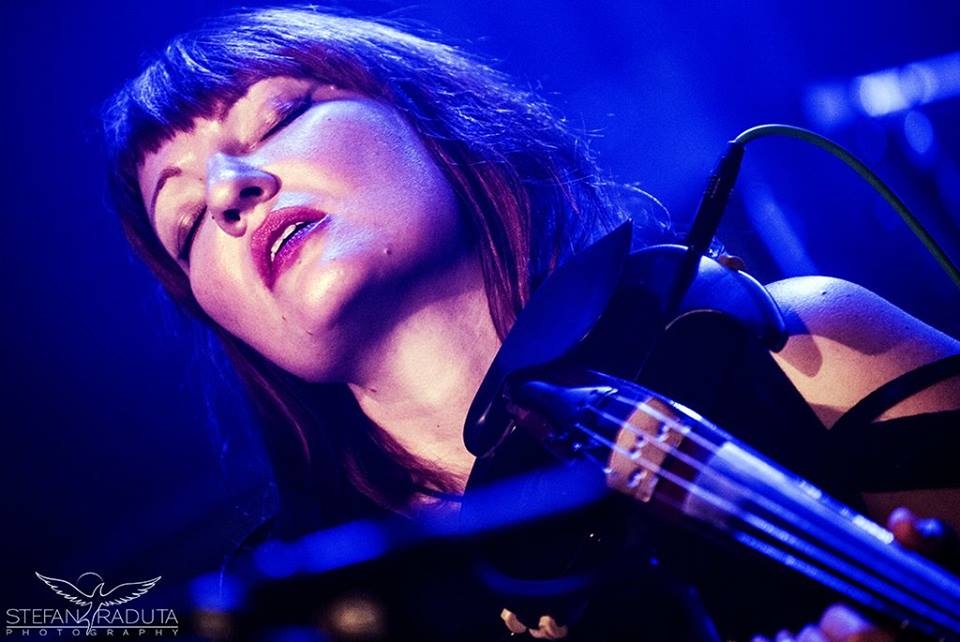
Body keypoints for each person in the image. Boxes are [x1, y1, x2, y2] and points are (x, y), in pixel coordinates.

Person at [102, 6, 960, 640]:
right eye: (187, 220)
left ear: (432, 118)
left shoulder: (807, 344)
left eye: (280, 118)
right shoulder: (299, 609)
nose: (229, 192)